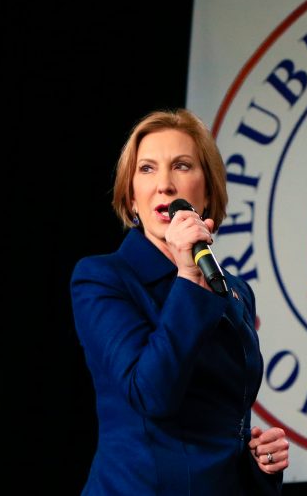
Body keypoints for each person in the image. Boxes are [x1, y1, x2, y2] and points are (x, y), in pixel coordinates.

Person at [70, 109, 289, 495]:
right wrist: (188, 279)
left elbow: (227, 419)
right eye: (147, 169)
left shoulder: (236, 291)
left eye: (182, 166)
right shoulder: (103, 279)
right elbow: (151, 394)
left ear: (208, 192)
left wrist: (259, 464)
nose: (165, 185)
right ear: (131, 197)